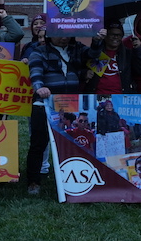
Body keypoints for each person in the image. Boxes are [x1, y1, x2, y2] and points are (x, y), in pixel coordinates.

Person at [26, 33, 93, 193]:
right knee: (38, 143)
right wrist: (39, 87)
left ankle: (73, 176)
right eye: (59, 35)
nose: (63, 38)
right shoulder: (39, 52)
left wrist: (97, 41)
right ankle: (33, 181)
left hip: (70, 104)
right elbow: (35, 72)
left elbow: (93, 55)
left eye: (68, 35)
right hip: (44, 104)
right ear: (50, 34)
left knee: (71, 141)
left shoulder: (77, 49)